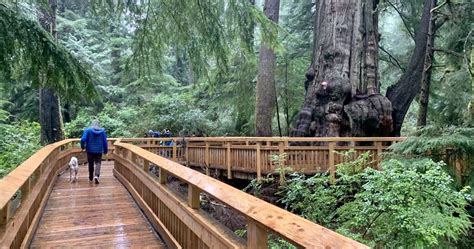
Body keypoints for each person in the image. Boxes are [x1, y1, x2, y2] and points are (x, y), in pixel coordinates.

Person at [80, 119, 108, 184]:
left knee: (91, 163)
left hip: (90, 150)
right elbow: (105, 142)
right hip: (99, 150)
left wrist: (82, 147)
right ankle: (96, 176)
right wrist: (105, 150)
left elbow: (83, 139)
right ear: (99, 125)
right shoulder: (102, 131)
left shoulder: (87, 130)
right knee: (98, 162)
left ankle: (90, 177)